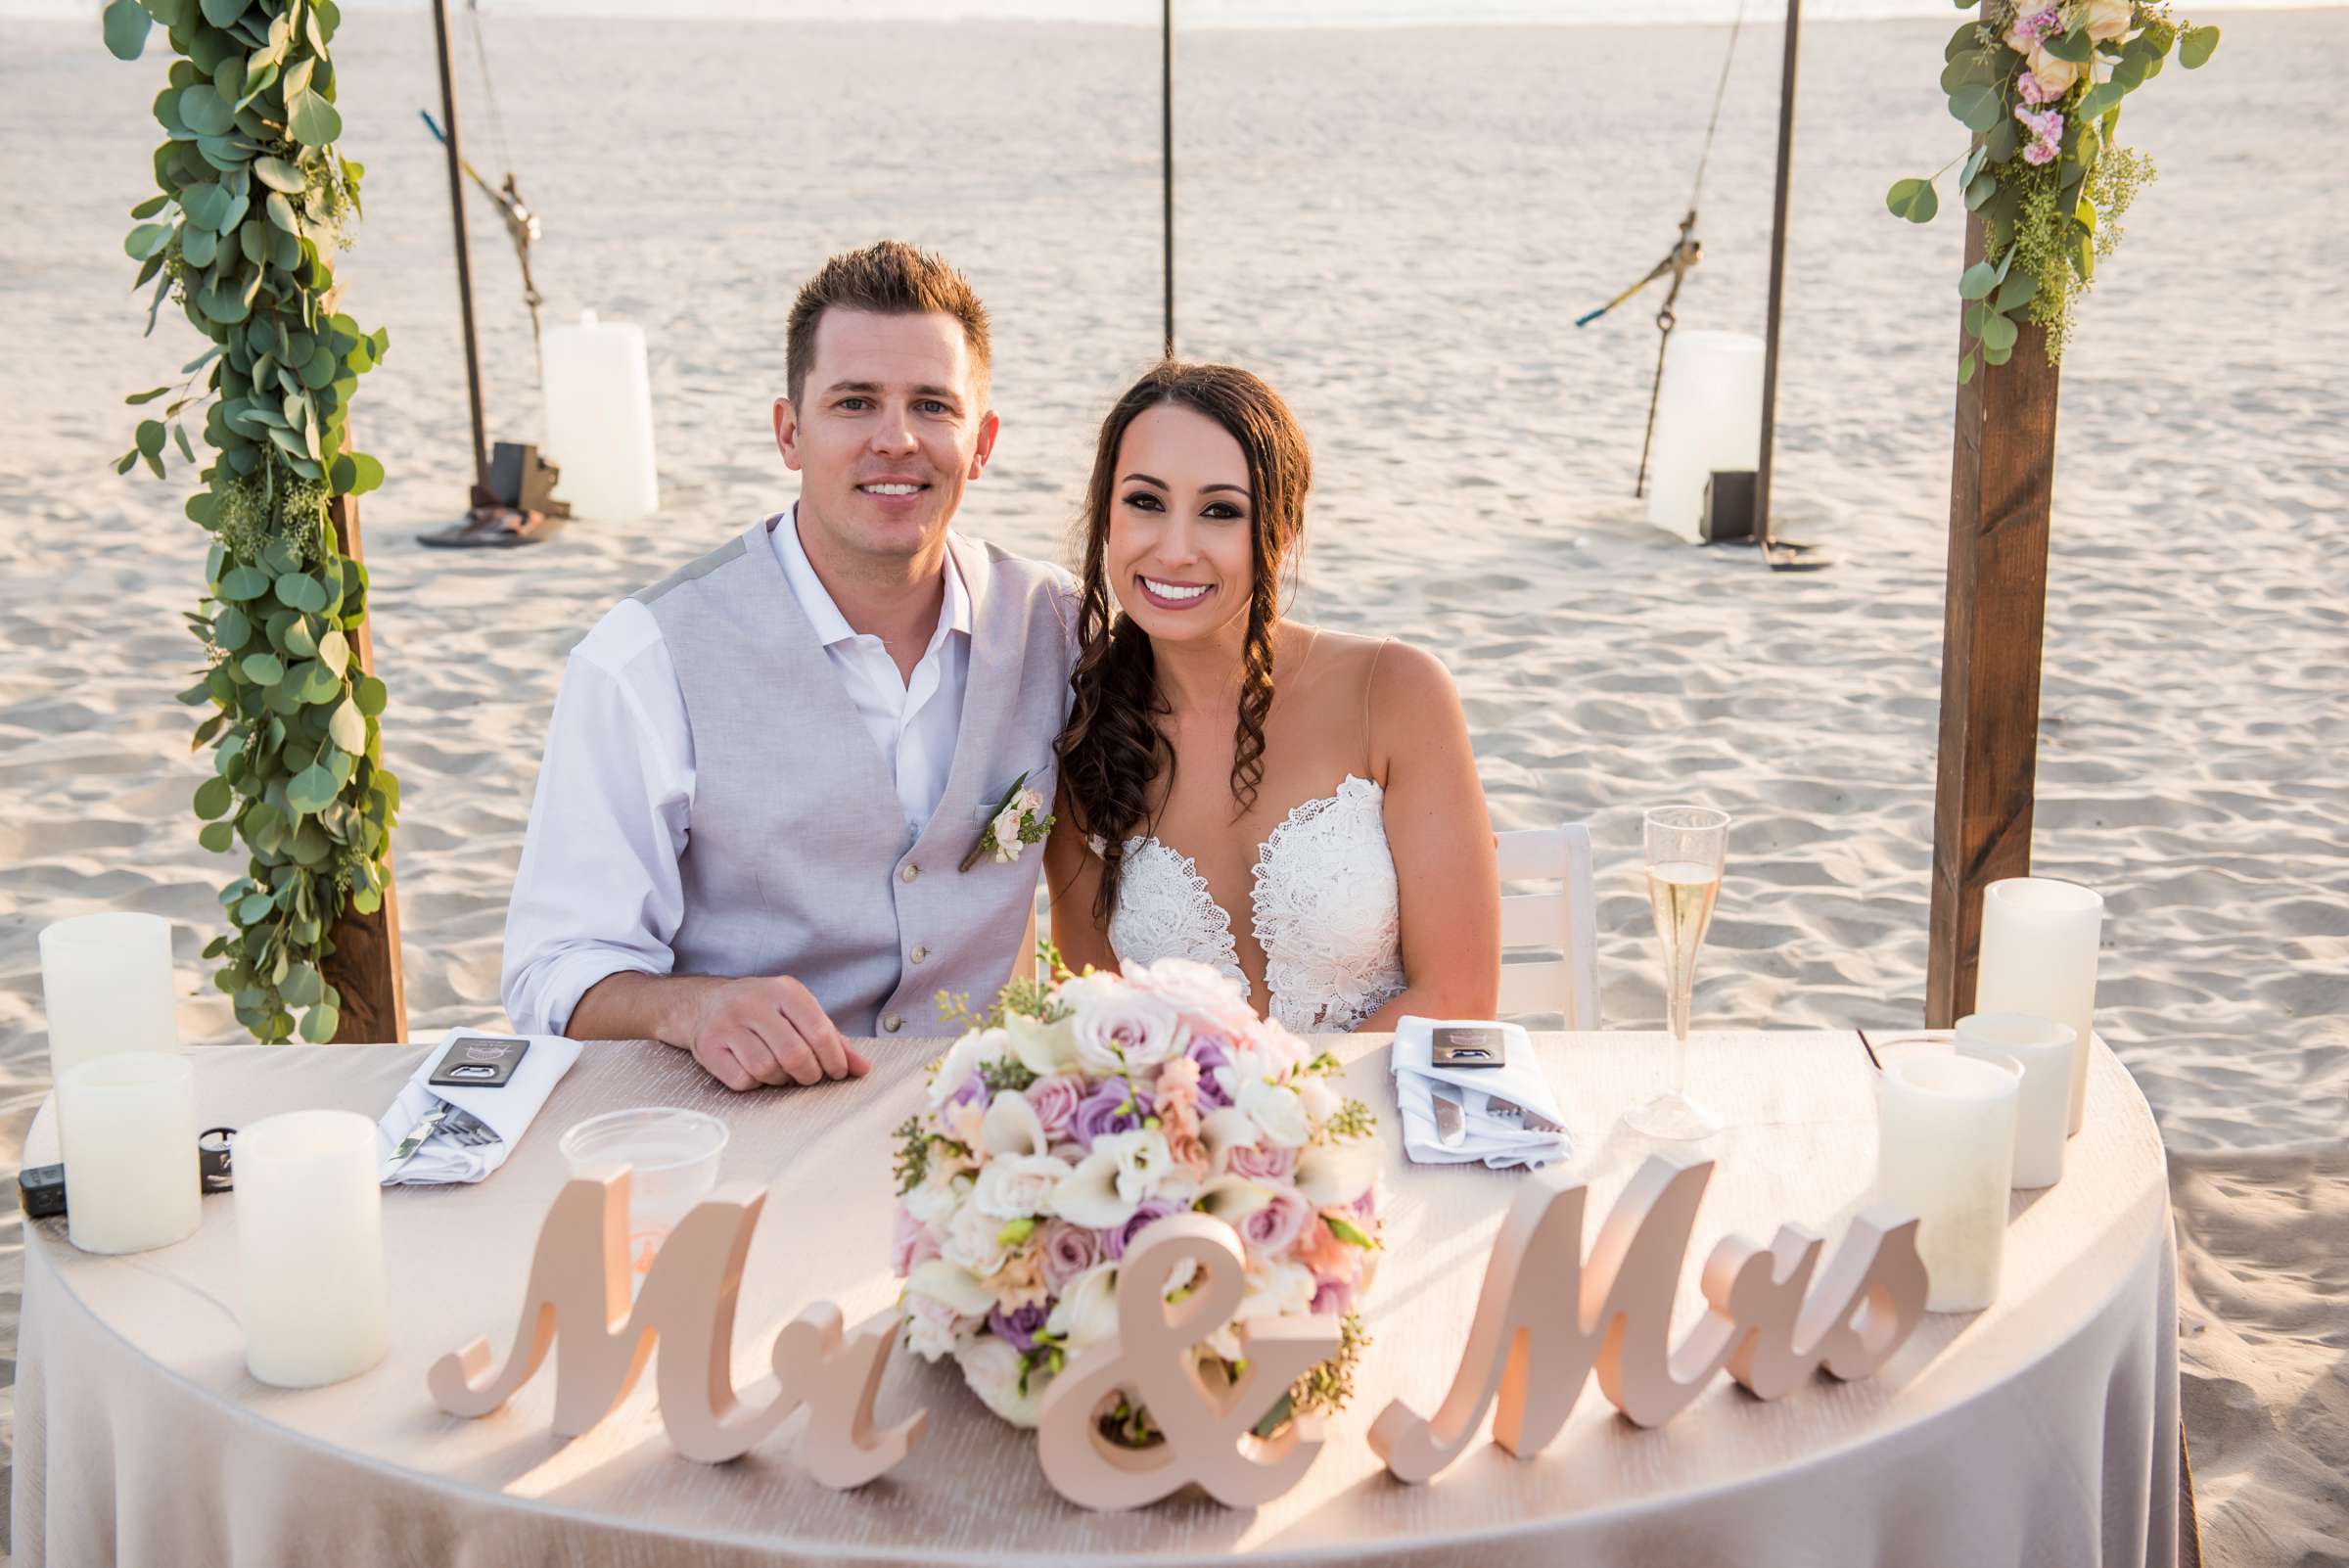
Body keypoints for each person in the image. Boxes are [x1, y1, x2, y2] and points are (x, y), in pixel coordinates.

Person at [502, 242, 1076, 1090]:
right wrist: (692, 1008)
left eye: (932, 405)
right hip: (748, 1126)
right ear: (788, 433)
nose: (896, 439)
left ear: (982, 441)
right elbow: (551, 972)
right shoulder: (645, 660)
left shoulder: (1057, 625)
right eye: (854, 403)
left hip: (993, 1128)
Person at [1043, 362, 1499, 1031]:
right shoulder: (1082, 734)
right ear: (1105, 516)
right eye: (1145, 501)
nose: (1174, 550)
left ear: (1281, 534)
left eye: (1221, 512)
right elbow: (1094, 1020)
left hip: (1381, 1115)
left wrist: (1276, 1111)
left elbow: (1457, 998)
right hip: (1187, 1130)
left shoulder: (1395, 693)